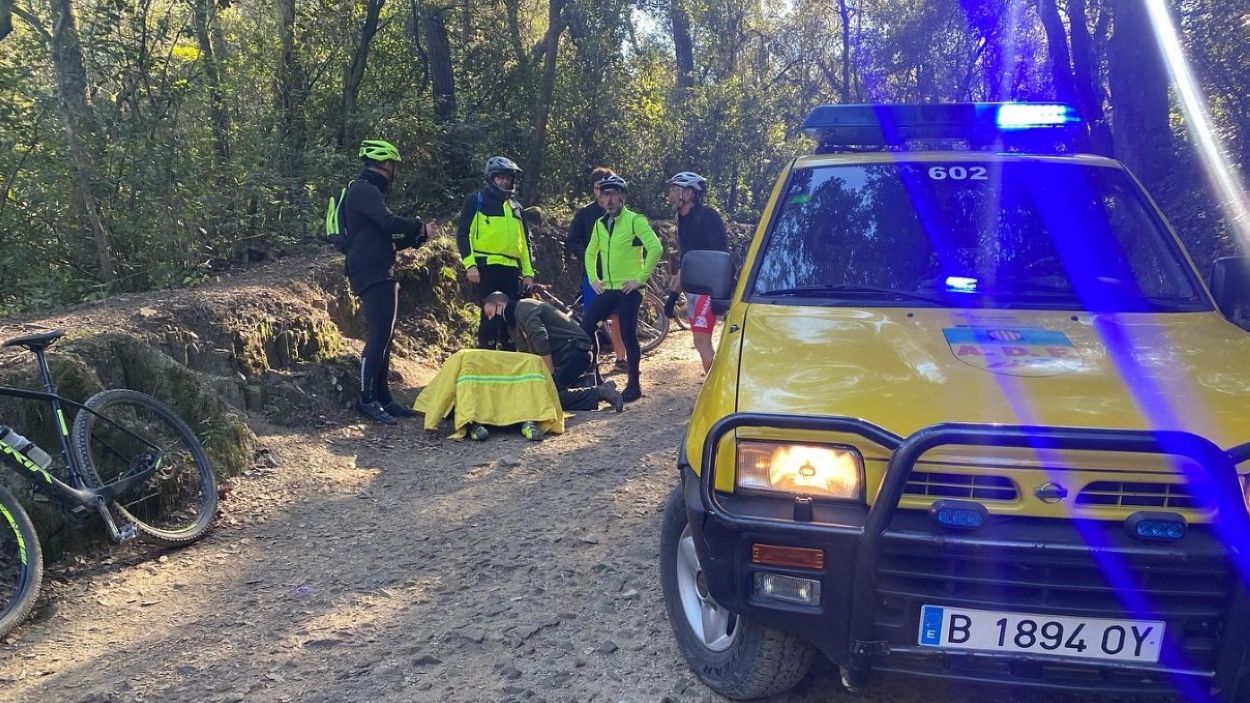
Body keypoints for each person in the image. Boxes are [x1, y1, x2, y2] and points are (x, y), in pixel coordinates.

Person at [343, 139, 436, 425]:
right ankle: (367, 399)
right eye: (393, 166)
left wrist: (418, 237)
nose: (394, 172)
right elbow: (388, 222)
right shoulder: (363, 190)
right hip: (369, 271)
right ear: (386, 164)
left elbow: (386, 237)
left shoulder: (368, 192)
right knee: (379, 335)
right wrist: (418, 225)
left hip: (378, 268)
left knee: (386, 336)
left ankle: (383, 397)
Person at [582, 174, 662, 403]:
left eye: (614, 194)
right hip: (608, 289)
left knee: (628, 335)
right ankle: (593, 378)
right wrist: (593, 278)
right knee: (585, 328)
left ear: (622, 196)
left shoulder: (635, 220)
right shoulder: (599, 224)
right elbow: (590, 252)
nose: (609, 200)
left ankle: (633, 385)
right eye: (605, 195)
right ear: (600, 198)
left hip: (629, 290)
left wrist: (640, 279)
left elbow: (655, 248)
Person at [482, 292, 624, 412]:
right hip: (562, 356)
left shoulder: (524, 307)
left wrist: (549, 376)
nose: (490, 319)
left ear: (500, 305)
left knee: (551, 396)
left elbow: (541, 339)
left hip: (576, 351)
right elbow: (527, 356)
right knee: (541, 394)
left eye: (490, 313)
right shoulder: (512, 327)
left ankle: (601, 392)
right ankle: (583, 384)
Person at [457, 156, 536, 350]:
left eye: (508, 178)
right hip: (486, 268)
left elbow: (525, 243)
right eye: (500, 177)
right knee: (491, 317)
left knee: (511, 319)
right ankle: (486, 359)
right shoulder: (476, 201)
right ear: (491, 178)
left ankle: (508, 362)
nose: (505, 181)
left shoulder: (516, 208)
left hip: (511, 270)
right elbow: (463, 234)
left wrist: (528, 273)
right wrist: (471, 264)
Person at [565, 167, 628, 369]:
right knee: (591, 320)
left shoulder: (622, 215)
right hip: (593, 277)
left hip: (617, 276)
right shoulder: (584, 214)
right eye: (599, 188)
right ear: (594, 190)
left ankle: (621, 359)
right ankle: (592, 363)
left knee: (617, 319)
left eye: (608, 188)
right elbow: (572, 241)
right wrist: (588, 255)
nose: (604, 193)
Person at [666, 171, 728, 373]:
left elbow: (718, 256)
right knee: (699, 341)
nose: (670, 195)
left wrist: (720, 292)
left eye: (675, 189)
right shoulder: (682, 219)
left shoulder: (707, 217)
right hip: (693, 288)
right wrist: (673, 296)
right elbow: (687, 262)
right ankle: (714, 383)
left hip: (707, 289)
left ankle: (713, 389)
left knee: (702, 341)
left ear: (689, 194)